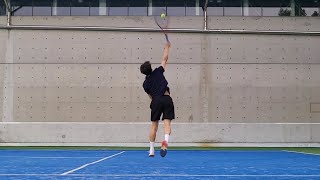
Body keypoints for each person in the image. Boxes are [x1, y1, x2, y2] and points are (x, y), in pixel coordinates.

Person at [140, 42, 174, 157]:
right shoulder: (158, 71)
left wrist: (154, 102)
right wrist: (167, 47)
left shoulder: (145, 83)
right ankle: (165, 142)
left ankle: (151, 150)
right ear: (150, 67)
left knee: (154, 126)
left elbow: (150, 96)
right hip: (166, 98)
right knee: (167, 124)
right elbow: (165, 59)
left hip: (156, 100)